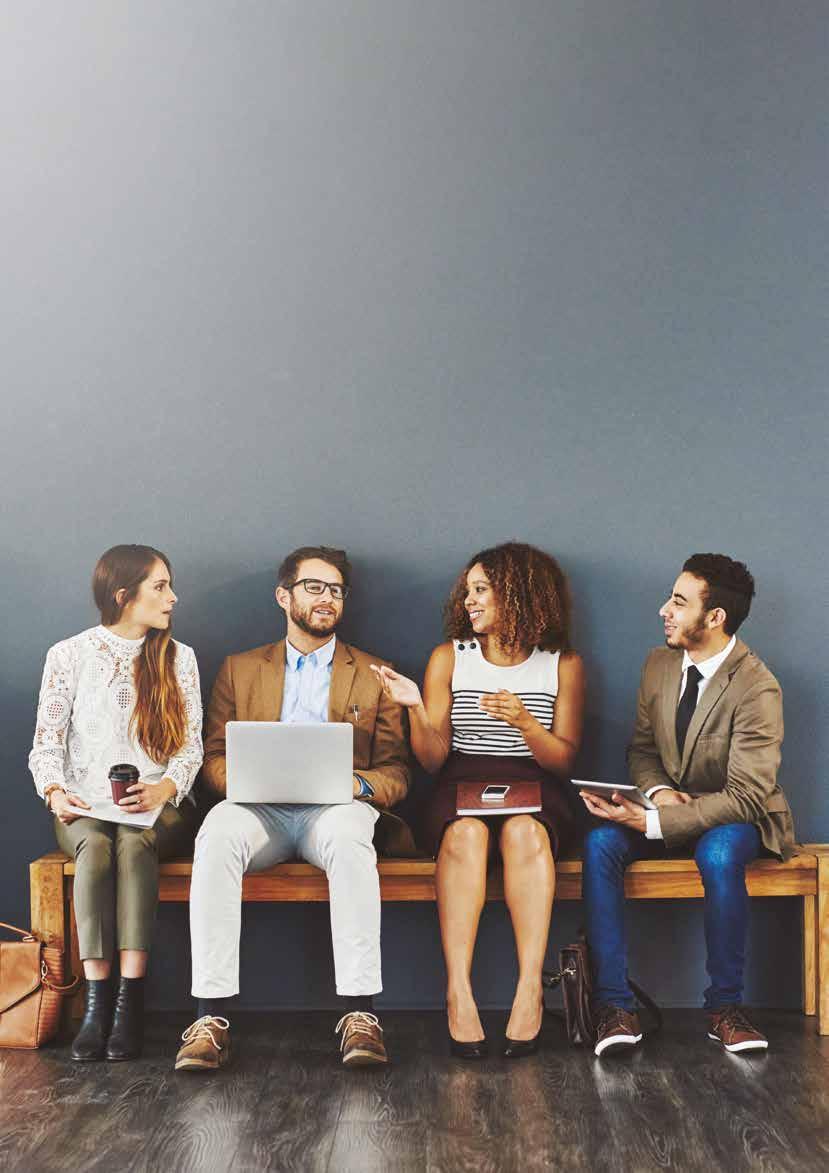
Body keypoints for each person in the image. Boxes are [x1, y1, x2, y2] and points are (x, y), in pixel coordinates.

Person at [174, 546, 411, 1072]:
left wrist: (355, 784)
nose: (328, 598)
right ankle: (209, 1018)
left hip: (336, 810)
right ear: (284, 596)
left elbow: (396, 771)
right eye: (314, 587)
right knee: (216, 832)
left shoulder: (374, 673)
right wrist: (243, 780)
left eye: (337, 590)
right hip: (259, 810)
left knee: (350, 837)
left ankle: (360, 1014)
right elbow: (213, 756)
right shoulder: (239, 669)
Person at [374, 542, 585, 1059]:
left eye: (482, 589)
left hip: (537, 784)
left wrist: (525, 723)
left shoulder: (563, 664)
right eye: (467, 590)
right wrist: (416, 709)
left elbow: (563, 760)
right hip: (460, 781)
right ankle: (459, 992)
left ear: (520, 593)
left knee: (525, 832)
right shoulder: (449, 657)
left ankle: (530, 989)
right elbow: (433, 760)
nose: (468, 601)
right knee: (466, 834)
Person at [580, 553, 794, 1057]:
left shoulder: (757, 687)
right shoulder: (658, 665)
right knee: (600, 843)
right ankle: (614, 1007)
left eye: (679, 602)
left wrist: (657, 820)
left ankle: (725, 1009)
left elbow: (746, 796)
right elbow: (642, 750)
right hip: (665, 806)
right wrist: (656, 794)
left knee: (718, 855)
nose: (664, 610)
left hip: (734, 816)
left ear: (715, 617)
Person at [29, 545, 203, 1061]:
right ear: (124, 596)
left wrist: (164, 789)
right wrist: (55, 792)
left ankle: (130, 1001)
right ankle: (95, 1003)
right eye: (160, 587)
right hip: (84, 804)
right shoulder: (68, 655)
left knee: (133, 842)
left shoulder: (179, 658)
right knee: (97, 849)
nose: (172, 597)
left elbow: (190, 747)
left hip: (161, 804)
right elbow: (46, 744)